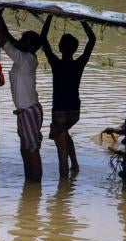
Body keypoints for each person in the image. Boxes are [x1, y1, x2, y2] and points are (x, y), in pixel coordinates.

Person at [0, 10, 43, 182]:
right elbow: (9, 38)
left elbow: (4, 42)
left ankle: (35, 186)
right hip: (24, 111)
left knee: (32, 151)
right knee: (25, 150)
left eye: (25, 40)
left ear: (31, 46)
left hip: (29, 111)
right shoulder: (24, 56)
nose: (20, 42)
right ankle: (30, 186)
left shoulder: (26, 59)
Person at [40, 15, 96, 178]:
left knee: (61, 155)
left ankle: (63, 192)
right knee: (65, 136)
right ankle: (76, 165)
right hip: (74, 112)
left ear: (59, 47)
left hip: (60, 113)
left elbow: (43, 39)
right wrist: (82, 19)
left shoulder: (56, 64)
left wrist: (49, 17)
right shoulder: (78, 64)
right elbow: (92, 40)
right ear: (75, 49)